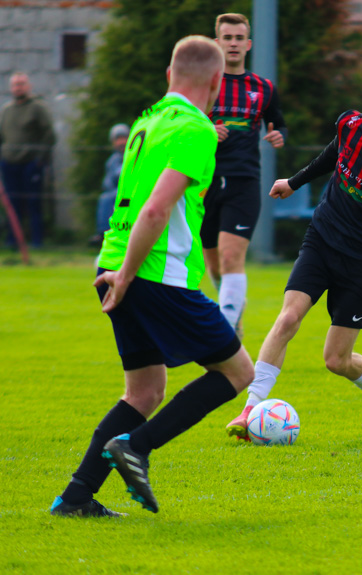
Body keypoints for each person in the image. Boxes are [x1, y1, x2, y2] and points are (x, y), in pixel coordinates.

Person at [50, 36, 254, 517]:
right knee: (238, 371)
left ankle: (76, 497)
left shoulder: (147, 121)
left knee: (144, 391)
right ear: (217, 82)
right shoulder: (196, 130)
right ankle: (136, 447)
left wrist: (116, 271)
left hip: (115, 261)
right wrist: (128, 275)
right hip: (151, 272)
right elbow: (157, 209)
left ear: (169, 75)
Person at [225, 60, 362, 439]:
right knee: (288, 319)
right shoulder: (350, 125)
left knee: (336, 360)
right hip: (323, 237)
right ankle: (249, 410)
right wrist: (294, 181)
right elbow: (332, 156)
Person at [203, 13, 288, 335]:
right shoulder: (204, 85)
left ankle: (225, 336)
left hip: (244, 182)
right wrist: (207, 130)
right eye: (228, 37)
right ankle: (233, 309)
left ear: (248, 44)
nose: (234, 44)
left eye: (239, 38)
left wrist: (280, 135)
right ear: (217, 43)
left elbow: (279, 122)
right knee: (214, 265)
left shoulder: (263, 89)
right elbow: (183, 126)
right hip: (205, 184)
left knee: (230, 257)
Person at [0, 72, 55, 248]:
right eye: (15, 84)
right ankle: (13, 241)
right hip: (9, 163)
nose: (18, 87)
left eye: (22, 83)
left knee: (33, 202)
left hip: (31, 163)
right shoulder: (6, 110)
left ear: (28, 86)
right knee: (12, 203)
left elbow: (49, 135)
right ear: (11, 88)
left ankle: (36, 241)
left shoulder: (37, 108)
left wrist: (39, 159)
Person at [89, 123, 130, 247]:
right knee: (105, 198)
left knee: (107, 199)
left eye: (124, 138)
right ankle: (103, 233)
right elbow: (107, 183)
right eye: (118, 139)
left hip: (130, 193)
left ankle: (103, 233)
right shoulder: (112, 160)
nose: (121, 142)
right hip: (116, 195)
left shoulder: (132, 156)